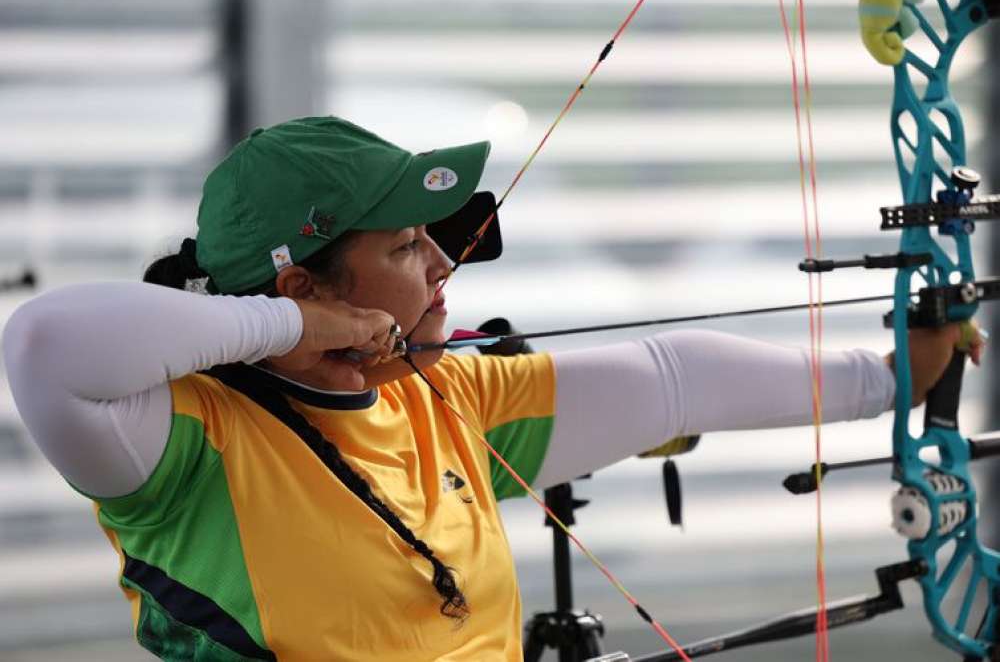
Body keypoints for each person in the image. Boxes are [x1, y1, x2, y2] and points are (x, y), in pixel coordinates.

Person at [1, 116, 980, 661]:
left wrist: (890, 378)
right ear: (299, 283)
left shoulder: (449, 397)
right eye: (403, 244)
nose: (442, 264)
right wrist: (303, 331)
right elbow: (44, 343)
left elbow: (674, 379)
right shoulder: (179, 445)